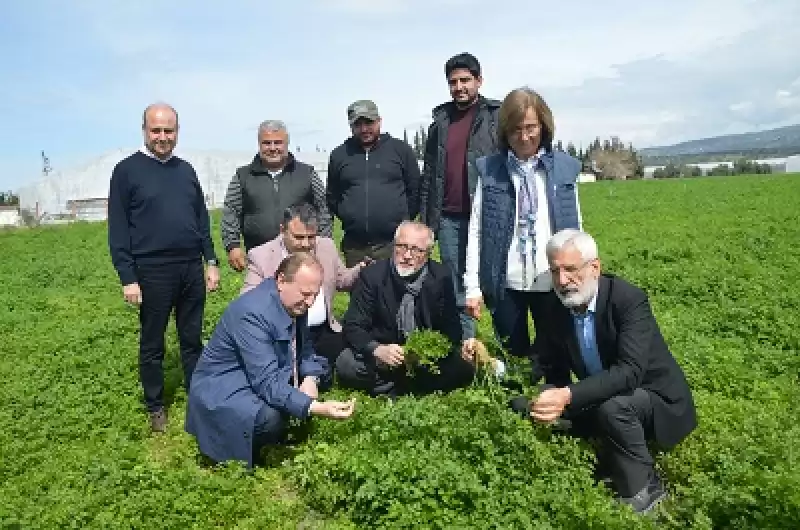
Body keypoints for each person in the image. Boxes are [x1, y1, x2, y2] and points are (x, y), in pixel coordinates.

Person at [468, 229, 696, 513]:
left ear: (595, 267)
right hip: (604, 397)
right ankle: (599, 456)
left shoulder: (627, 300)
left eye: (571, 270)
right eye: (555, 271)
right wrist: (493, 365)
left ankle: (644, 488)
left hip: (654, 400)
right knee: (523, 403)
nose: (563, 281)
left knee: (614, 409)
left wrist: (567, 394)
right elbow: (539, 361)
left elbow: (630, 372)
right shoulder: (556, 306)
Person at [108, 102, 220, 433]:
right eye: (155, 130)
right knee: (153, 341)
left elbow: (201, 220)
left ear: (177, 132)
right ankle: (156, 405)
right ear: (144, 131)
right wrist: (128, 277)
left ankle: (197, 395)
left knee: (191, 338)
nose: (162, 137)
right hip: (152, 269)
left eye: (168, 130)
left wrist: (211, 261)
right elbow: (118, 230)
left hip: (189, 266)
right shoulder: (126, 171)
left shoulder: (186, 171)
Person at [186, 253, 357, 468]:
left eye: (314, 295)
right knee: (270, 417)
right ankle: (236, 454)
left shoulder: (295, 303)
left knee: (316, 378)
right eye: (305, 294)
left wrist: (310, 379)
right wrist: (315, 407)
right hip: (223, 387)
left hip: (255, 375)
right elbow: (266, 383)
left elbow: (305, 350)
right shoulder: (252, 314)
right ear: (281, 280)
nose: (310, 302)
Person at [464, 87, 583, 362]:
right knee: (513, 357)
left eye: (531, 127)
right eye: (516, 129)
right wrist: (472, 286)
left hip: (552, 278)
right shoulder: (491, 170)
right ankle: (517, 401)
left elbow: (576, 225)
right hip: (507, 280)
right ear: (505, 131)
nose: (525, 136)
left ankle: (556, 400)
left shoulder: (564, 169)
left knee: (555, 356)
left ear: (544, 126)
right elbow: (477, 230)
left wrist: (582, 272)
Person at [336, 221, 475, 397]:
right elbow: (353, 325)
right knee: (347, 364)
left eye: (416, 250)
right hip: (383, 355)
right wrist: (377, 349)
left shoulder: (441, 277)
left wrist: (425, 354)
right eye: (401, 247)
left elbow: (452, 328)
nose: (407, 256)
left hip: (423, 359)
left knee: (463, 369)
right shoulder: (373, 276)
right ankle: (410, 386)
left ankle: (394, 386)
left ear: (428, 254)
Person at [420, 52, 501, 339]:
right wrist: (427, 222)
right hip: (449, 218)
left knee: (494, 279)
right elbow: (429, 175)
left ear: (479, 81)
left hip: (488, 216)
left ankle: (506, 344)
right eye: (453, 82)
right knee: (456, 282)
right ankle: (468, 345)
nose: (459, 87)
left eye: (465, 80)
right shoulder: (440, 123)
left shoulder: (496, 118)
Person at [241, 203, 367, 366]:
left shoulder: (326, 246)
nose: (306, 244)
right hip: (285, 334)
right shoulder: (261, 256)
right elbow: (247, 301)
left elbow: (342, 280)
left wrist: (361, 269)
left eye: (311, 237)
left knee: (352, 361)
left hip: (323, 331)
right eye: (299, 237)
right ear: (282, 230)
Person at [221, 120, 332, 271]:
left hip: (300, 257)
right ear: (259, 144)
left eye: (278, 142)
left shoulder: (306, 173)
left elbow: (323, 208)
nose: (273, 148)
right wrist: (232, 245)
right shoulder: (243, 176)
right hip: (260, 258)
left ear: (287, 144)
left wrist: (322, 243)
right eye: (267, 143)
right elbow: (231, 211)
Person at [326, 100, 421, 267]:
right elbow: (333, 196)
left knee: (395, 291)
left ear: (379, 121)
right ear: (351, 126)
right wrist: (350, 216)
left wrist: (402, 219)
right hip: (355, 247)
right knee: (359, 292)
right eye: (358, 124)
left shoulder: (400, 150)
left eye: (369, 122)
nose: (364, 129)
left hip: (393, 244)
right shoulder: (339, 155)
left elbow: (415, 191)